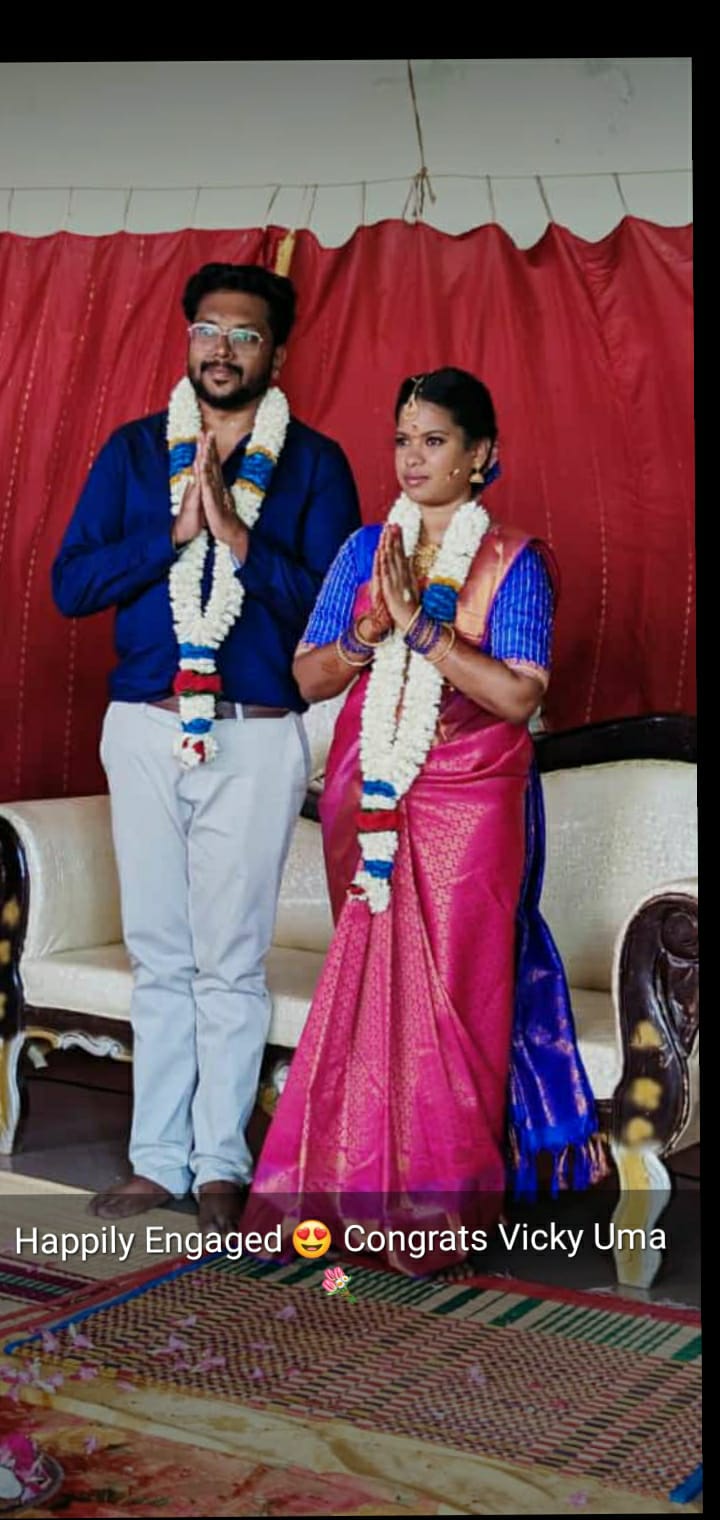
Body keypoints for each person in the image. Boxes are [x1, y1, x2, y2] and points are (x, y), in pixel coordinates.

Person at [244, 367, 607, 1273]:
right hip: (369, 790)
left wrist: (422, 630)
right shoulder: (366, 549)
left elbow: (517, 697)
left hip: (470, 799)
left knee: (454, 996)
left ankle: (438, 1208)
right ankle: (343, 1191)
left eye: (434, 440)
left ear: (481, 454)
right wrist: (370, 632)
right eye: (403, 440)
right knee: (368, 987)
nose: (413, 458)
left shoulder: (513, 561)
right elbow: (308, 677)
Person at [52, 262, 361, 1233]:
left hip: (255, 733)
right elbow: (71, 584)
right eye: (208, 330)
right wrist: (172, 532)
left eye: (245, 335)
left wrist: (236, 538)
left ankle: (221, 1159)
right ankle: (155, 1159)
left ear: (278, 352)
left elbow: (337, 608)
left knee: (230, 955)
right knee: (159, 950)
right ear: (188, 338)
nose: (222, 349)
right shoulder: (133, 452)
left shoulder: (314, 464)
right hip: (146, 725)